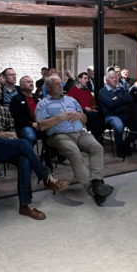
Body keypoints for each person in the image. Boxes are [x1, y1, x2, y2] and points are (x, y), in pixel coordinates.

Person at [0, 78, 69, 220]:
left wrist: (10, 137)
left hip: (5, 147)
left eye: (0, 88)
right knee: (23, 143)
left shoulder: (4, 110)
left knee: (24, 159)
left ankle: (25, 205)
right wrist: (1, 135)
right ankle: (46, 175)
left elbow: (12, 131)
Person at [37, 76, 112, 206]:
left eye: (61, 83)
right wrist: (59, 118)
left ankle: (97, 181)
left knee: (97, 148)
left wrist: (80, 116)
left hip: (80, 132)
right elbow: (41, 126)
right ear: (48, 88)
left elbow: (85, 120)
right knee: (74, 152)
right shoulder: (43, 104)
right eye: (57, 84)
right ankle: (93, 189)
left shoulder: (71, 100)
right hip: (59, 135)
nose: (61, 86)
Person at [99, 70, 137, 157]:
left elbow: (130, 100)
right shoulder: (103, 91)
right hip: (110, 115)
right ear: (107, 80)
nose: (115, 79)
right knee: (119, 125)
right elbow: (110, 105)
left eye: (116, 77)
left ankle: (126, 143)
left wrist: (117, 99)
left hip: (123, 114)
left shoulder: (121, 89)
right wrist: (122, 100)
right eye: (112, 78)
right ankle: (119, 147)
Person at [68, 72, 102, 139]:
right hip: (80, 111)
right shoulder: (73, 90)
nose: (87, 80)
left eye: (87, 78)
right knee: (95, 117)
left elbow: (93, 102)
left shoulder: (87, 91)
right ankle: (95, 138)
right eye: (85, 78)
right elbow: (71, 104)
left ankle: (98, 135)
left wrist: (93, 108)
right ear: (79, 79)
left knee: (101, 114)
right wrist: (84, 108)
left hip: (90, 110)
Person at [8, 76, 39, 147]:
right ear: (21, 86)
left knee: (54, 133)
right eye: (28, 82)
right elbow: (15, 115)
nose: (31, 84)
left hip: (41, 124)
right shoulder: (16, 99)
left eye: (32, 82)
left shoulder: (37, 97)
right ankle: (28, 156)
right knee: (30, 137)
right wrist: (31, 123)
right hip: (25, 125)